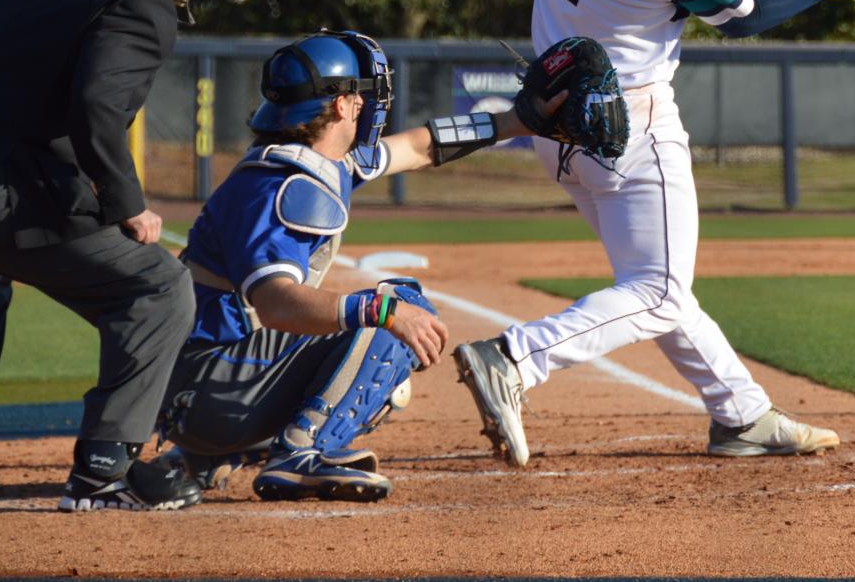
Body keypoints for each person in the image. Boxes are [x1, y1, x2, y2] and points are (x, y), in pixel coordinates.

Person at [453, 0, 855, 467]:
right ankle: (513, 358)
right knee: (656, 290)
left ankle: (740, 415)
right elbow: (742, 19)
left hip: (554, 115)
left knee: (653, 283)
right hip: (631, 125)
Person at [155, 30, 565, 502]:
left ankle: (207, 457)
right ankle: (299, 455)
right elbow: (276, 303)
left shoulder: (304, 162)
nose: (372, 106)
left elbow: (421, 147)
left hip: (198, 388)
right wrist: (382, 311)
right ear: (343, 106)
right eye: (365, 96)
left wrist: (523, 119)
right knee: (398, 310)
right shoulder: (287, 186)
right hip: (210, 387)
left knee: (374, 340)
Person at [0, 0, 216, 510]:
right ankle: (103, 472)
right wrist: (128, 204)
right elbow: (96, 107)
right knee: (159, 290)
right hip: (10, 201)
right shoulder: (143, 3)